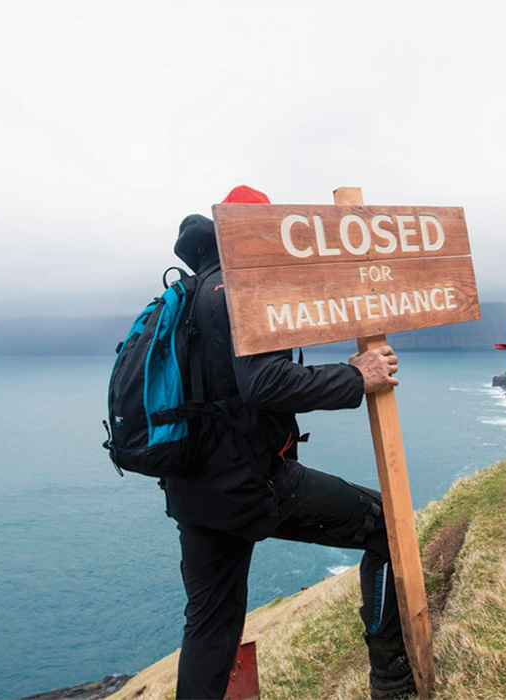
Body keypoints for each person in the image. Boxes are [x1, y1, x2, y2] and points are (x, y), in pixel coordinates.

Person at [165, 185, 415, 700]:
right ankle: (393, 683)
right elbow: (264, 383)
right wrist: (355, 377)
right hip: (254, 483)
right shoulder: (246, 289)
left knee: (210, 626)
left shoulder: (189, 296)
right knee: (389, 526)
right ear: (255, 231)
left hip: (194, 490)